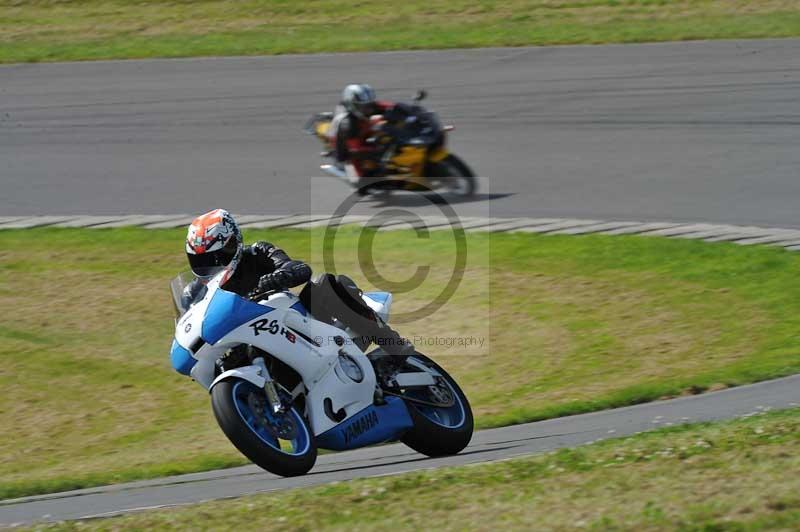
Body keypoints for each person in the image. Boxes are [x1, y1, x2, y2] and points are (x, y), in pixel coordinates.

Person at [183, 208, 413, 360]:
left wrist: (277, 277)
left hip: (295, 323)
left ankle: (393, 343)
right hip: (249, 342)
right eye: (201, 261)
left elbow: (299, 268)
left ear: (233, 243)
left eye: (217, 257)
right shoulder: (195, 292)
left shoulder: (257, 252)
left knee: (325, 285)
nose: (211, 266)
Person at [328, 84, 414, 194]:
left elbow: (393, 107)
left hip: (363, 130)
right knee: (362, 185)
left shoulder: (368, 107)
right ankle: (347, 172)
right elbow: (356, 150)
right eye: (363, 106)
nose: (368, 109)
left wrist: (410, 111)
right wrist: (378, 150)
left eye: (369, 105)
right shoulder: (348, 123)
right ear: (352, 105)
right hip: (347, 145)